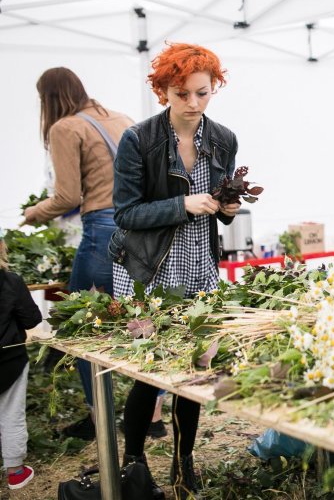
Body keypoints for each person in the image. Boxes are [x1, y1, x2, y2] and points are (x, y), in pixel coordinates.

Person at [109, 43, 240, 499]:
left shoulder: (222, 139)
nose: (192, 104)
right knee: (148, 371)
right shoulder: (138, 140)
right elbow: (124, 214)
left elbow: (220, 207)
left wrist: (226, 207)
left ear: (213, 89)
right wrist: (182, 205)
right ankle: (133, 463)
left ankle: (184, 463)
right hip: (147, 270)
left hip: (199, 263)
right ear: (163, 89)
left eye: (202, 93)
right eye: (181, 94)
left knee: (193, 370)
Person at [22, 67, 134, 441]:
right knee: (138, 318)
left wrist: (34, 213)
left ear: (49, 99)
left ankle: (98, 417)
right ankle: (151, 415)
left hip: (102, 230)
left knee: (79, 324)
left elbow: (68, 197)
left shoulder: (65, 128)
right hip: (138, 229)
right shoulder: (121, 119)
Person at [0, 229, 43, 490]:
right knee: (11, 413)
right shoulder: (11, 281)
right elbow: (32, 319)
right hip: (9, 360)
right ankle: (15, 471)